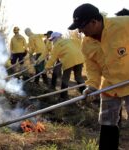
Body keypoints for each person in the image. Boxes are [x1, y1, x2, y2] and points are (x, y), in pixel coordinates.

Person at [68, 3, 129, 150]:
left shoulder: (123, 24)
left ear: (94, 22)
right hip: (109, 85)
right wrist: (91, 86)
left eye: (82, 27)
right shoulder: (86, 44)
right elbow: (92, 69)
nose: (80, 31)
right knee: (107, 123)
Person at [45, 32, 85, 99]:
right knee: (78, 77)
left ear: (56, 38)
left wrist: (47, 67)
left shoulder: (57, 45)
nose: (52, 41)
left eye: (52, 39)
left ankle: (63, 96)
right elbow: (79, 44)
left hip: (68, 60)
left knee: (65, 78)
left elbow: (52, 59)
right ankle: (85, 93)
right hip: (79, 58)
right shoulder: (70, 40)